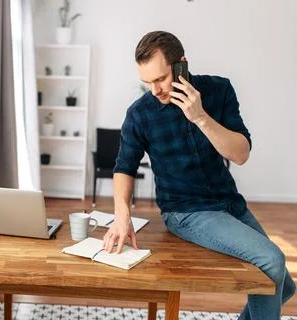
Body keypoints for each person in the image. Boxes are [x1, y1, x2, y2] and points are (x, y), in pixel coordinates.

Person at [102, 30, 295, 320]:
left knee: (285, 287)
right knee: (272, 260)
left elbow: (240, 154)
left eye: (160, 79)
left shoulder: (219, 91)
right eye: (147, 82)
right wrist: (121, 215)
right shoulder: (140, 114)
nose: (155, 90)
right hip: (186, 211)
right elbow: (124, 167)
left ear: (182, 65)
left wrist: (200, 117)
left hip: (229, 203)